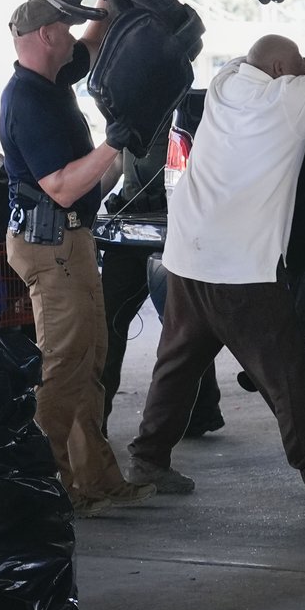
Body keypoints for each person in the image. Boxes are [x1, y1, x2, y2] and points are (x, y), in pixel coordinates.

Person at [128, 4, 305, 507]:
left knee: (177, 363)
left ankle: (148, 459)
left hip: (187, 253)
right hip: (241, 267)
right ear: (280, 73)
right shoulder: (286, 102)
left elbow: (277, 63)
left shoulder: (227, 81)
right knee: (285, 370)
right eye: (293, 71)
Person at [0, 0, 157, 517]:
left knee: (88, 362)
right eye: (63, 28)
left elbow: (92, 40)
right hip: (51, 247)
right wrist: (114, 143)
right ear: (46, 36)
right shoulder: (26, 101)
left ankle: (95, 479)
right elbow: (62, 187)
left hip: (71, 243)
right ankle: (47, 488)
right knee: (63, 366)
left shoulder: (52, 78)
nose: (72, 35)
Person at [99, 127, 223, 448]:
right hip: (130, 225)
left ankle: (200, 412)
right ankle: (94, 422)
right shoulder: (126, 110)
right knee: (108, 321)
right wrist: (83, 201)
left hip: (177, 225)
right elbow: (117, 161)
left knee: (184, 326)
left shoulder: (188, 111)